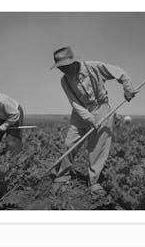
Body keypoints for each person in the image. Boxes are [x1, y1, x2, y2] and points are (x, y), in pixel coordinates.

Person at [50, 46, 137, 193]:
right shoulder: (64, 80)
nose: (61, 70)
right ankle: (63, 174)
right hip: (80, 111)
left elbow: (120, 73)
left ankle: (93, 183)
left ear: (72, 62)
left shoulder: (94, 67)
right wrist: (88, 117)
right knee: (70, 142)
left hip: (101, 109)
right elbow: (74, 102)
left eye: (63, 66)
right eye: (59, 67)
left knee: (97, 147)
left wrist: (128, 89)